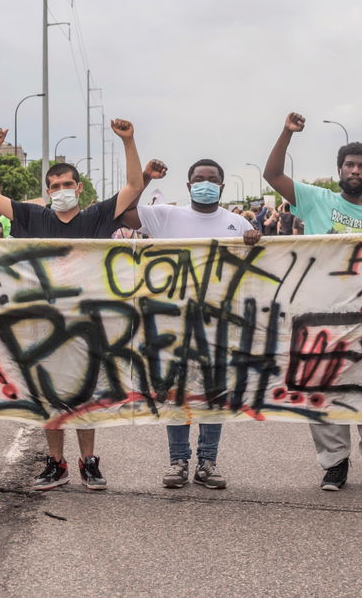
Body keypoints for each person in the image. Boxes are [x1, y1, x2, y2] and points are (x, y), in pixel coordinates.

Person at [0, 119, 144, 491]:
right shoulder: (33, 216)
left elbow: (134, 186)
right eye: (54, 186)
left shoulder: (95, 217)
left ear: (79, 188)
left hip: (89, 323)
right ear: (47, 191)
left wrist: (129, 142)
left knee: (87, 394)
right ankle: (56, 463)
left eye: (67, 184)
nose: (61, 191)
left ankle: (89, 462)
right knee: (49, 395)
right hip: (45, 324)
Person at [263, 111, 362, 492]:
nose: (355, 170)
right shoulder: (316, 200)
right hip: (322, 317)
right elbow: (273, 176)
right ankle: (335, 464)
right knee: (324, 390)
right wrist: (287, 133)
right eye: (349, 165)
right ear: (339, 169)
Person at [121, 158, 261, 490]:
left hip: (219, 324)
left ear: (221, 187)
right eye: (199, 179)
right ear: (188, 186)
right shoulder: (166, 216)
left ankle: (207, 462)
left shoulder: (238, 224)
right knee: (177, 393)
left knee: (214, 393)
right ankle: (178, 460)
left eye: (212, 179)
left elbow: (256, 269)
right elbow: (123, 212)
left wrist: (255, 240)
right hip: (174, 324)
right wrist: (144, 178)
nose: (205, 184)